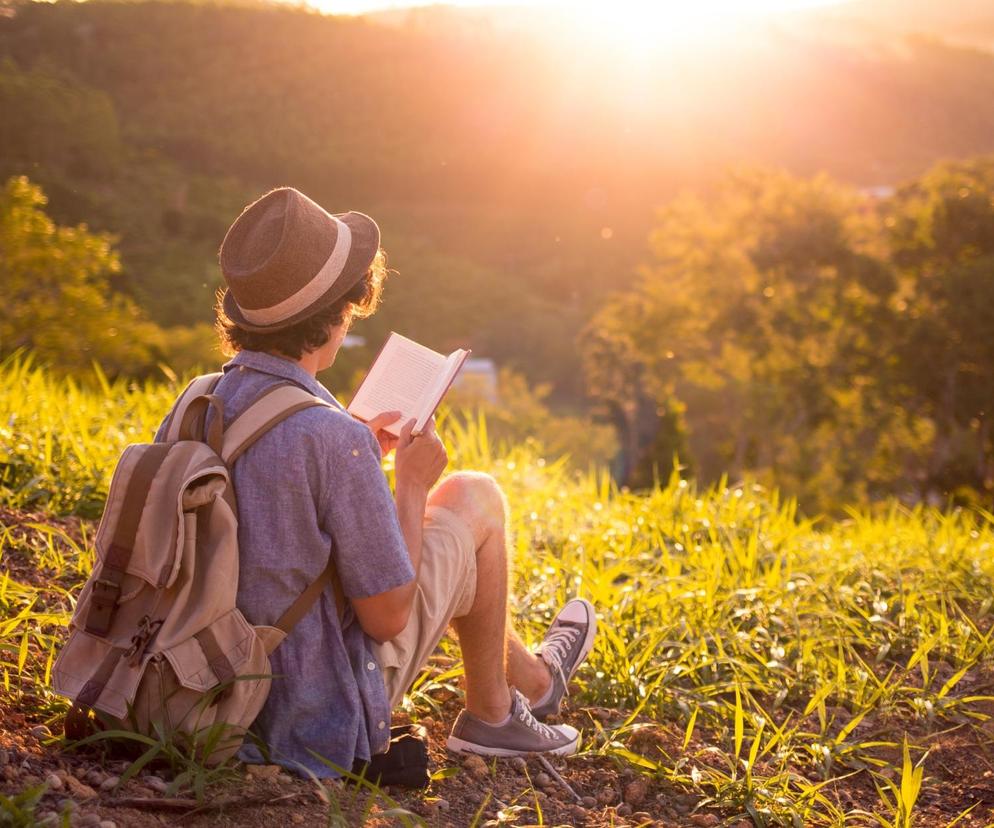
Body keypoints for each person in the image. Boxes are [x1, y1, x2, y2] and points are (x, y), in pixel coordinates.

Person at [156, 187, 597, 778]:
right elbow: (388, 618)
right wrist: (408, 484)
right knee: (473, 498)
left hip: (194, 680)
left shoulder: (199, 398)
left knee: (445, 533)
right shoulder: (332, 438)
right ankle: (496, 715)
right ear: (334, 315)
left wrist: (360, 456)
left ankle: (535, 680)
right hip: (306, 710)